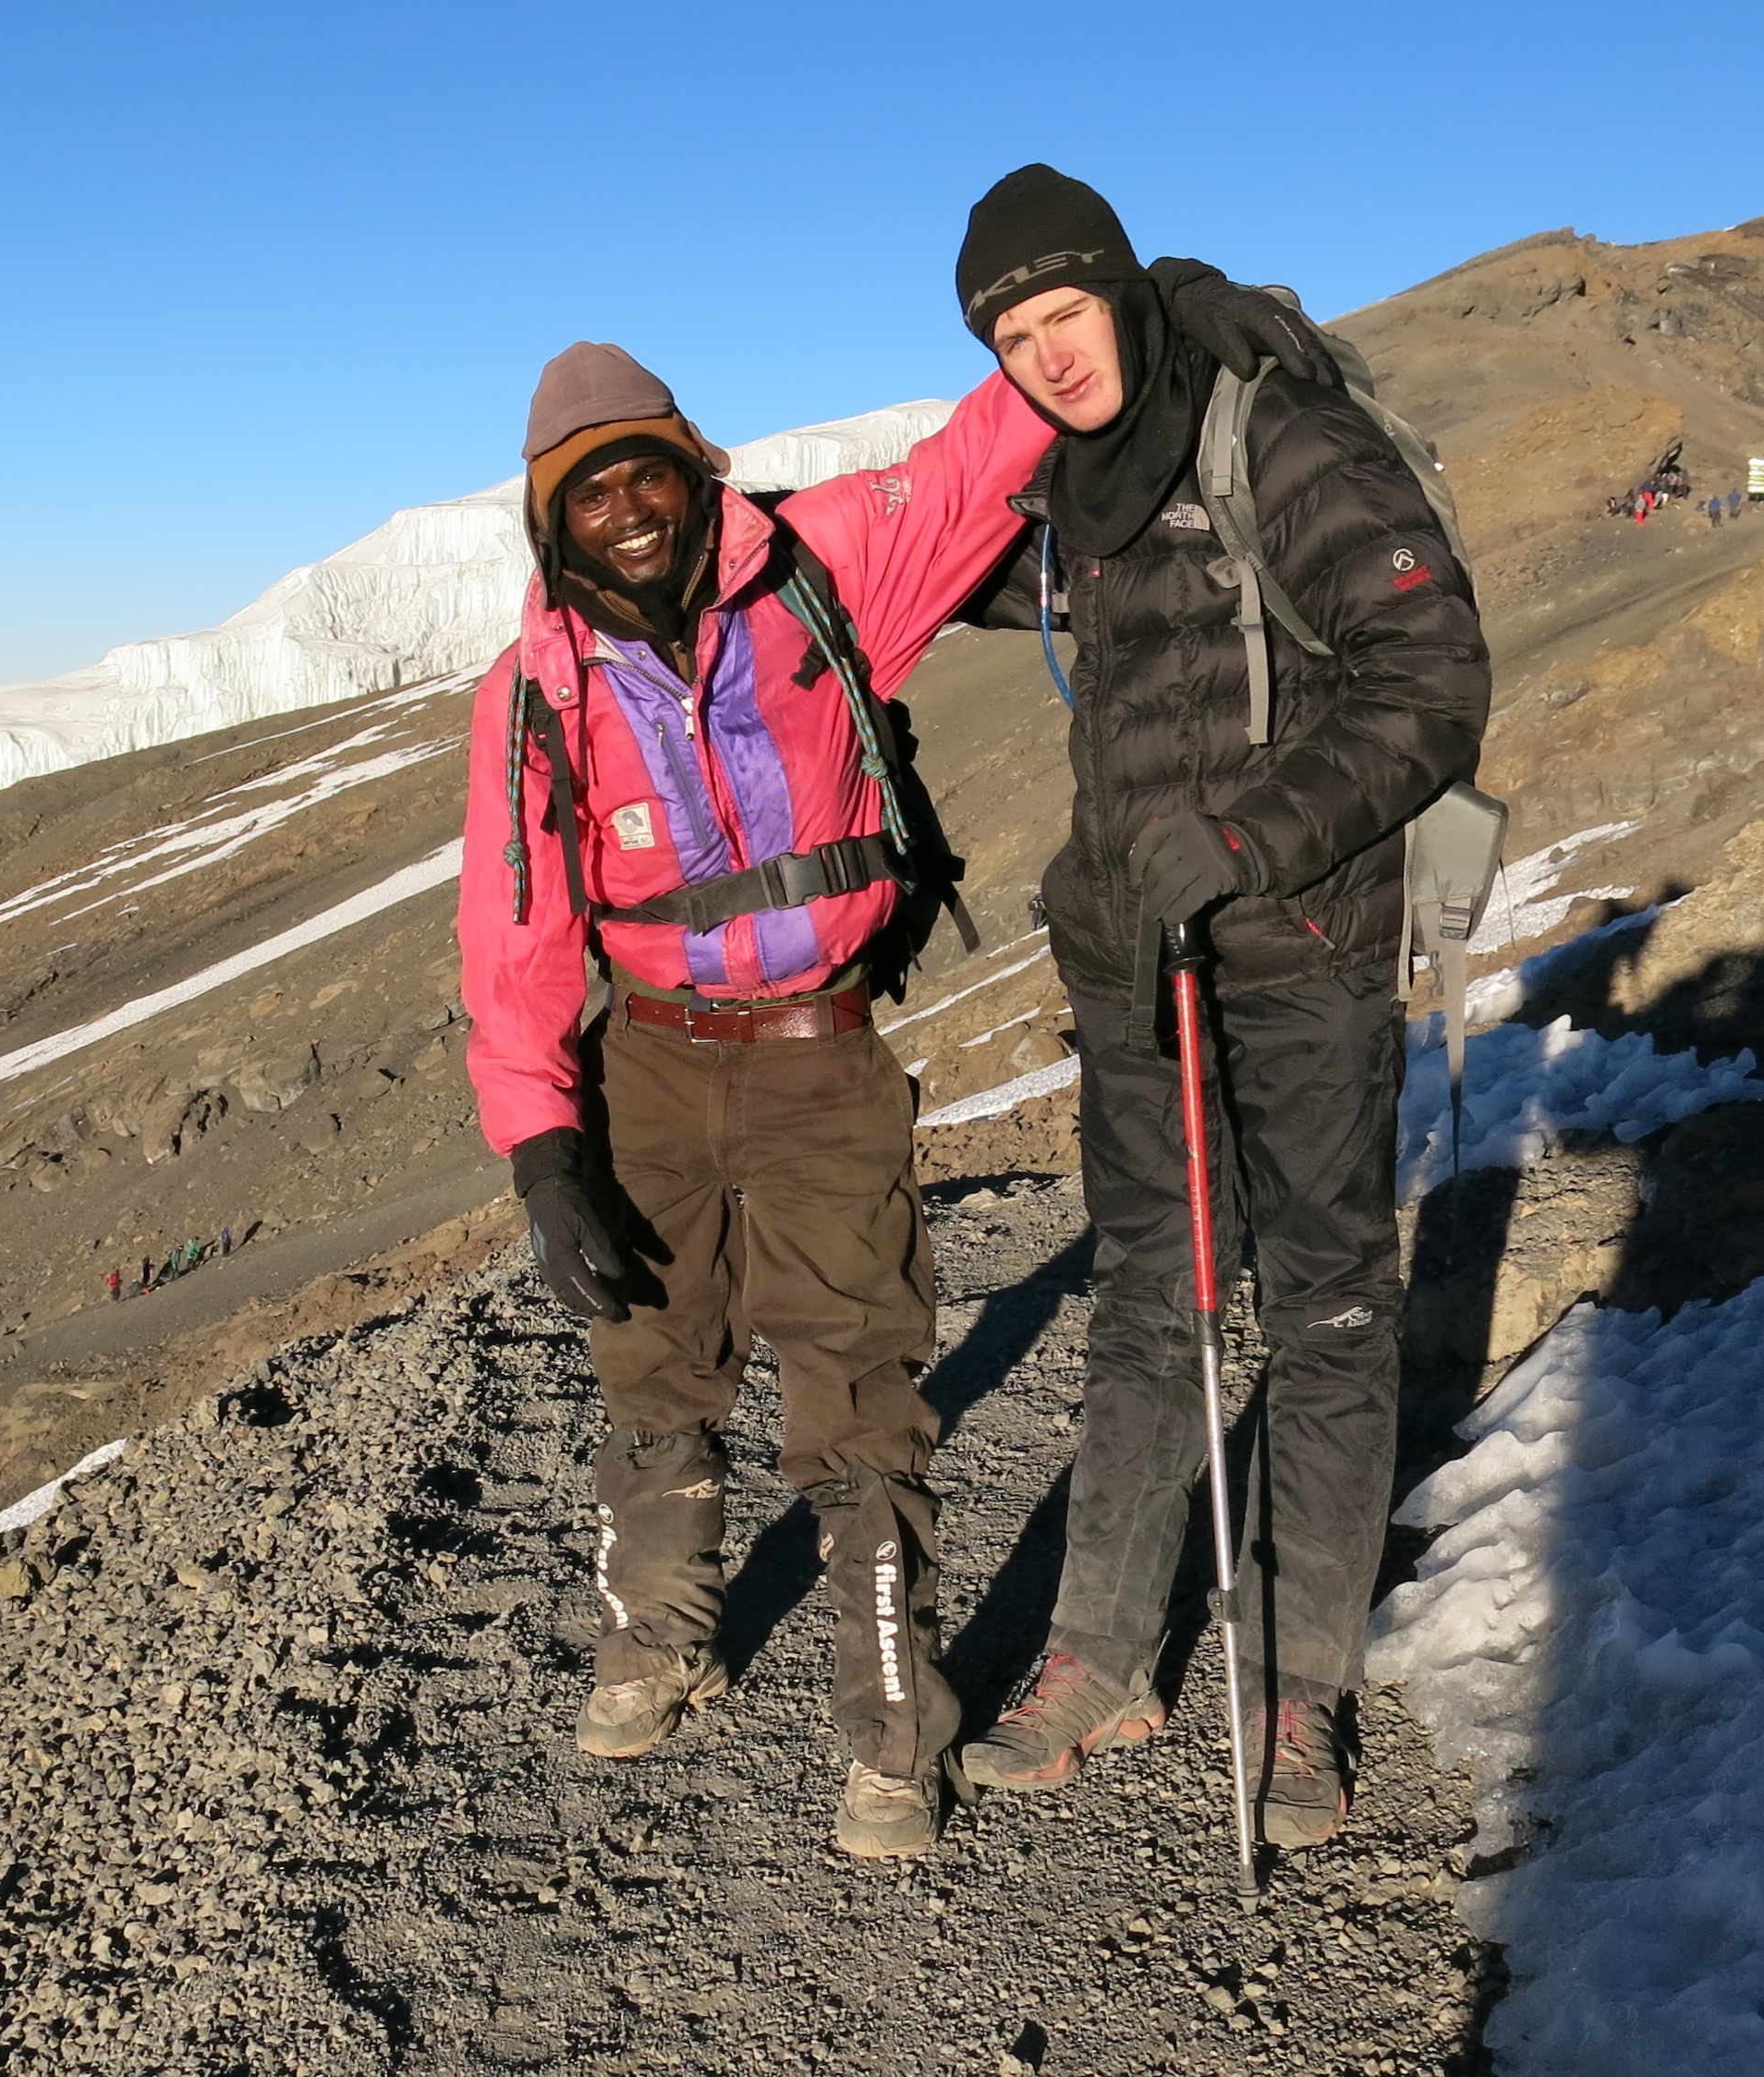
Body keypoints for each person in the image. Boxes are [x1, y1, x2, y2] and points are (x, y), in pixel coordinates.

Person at [454, 283, 1333, 1855]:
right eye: (591, 493)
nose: (628, 509)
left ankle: (891, 1737)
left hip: (821, 1061)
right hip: (646, 1063)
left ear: (695, 470)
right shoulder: (533, 692)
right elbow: (514, 928)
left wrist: (1129, 307)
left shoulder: (823, 566)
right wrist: (541, 1141)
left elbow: (977, 460)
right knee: (654, 1361)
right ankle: (660, 1636)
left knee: (859, 1391)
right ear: (553, 525)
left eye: (647, 472)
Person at [943, 165, 1491, 1852]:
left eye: (1063, 314)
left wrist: (1251, 835)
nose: (1047, 356)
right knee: (1144, 1303)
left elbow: (1434, 679)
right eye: (1010, 339)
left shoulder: (1281, 439)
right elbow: (1002, 584)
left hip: (1304, 951)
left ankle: (1300, 1683)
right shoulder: (1082, 485)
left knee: (1326, 1312)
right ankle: (1102, 1655)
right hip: (1139, 964)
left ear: (1118, 293)